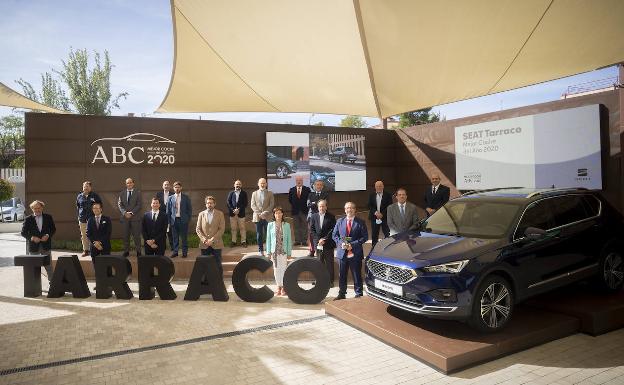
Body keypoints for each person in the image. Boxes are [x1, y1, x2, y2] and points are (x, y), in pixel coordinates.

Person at [332, 202, 368, 300]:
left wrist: (352, 244)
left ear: (355, 209)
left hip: (355, 253)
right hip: (342, 253)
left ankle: (358, 294)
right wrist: (341, 243)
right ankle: (342, 293)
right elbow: (334, 235)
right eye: (347, 208)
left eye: (352, 208)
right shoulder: (340, 221)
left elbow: (365, 237)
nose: (349, 210)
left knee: (356, 274)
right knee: (342, 274)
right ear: (345, 210)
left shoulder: (360, 222)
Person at [21, 200, 56, 279]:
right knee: (34, 267)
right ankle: (35, 287)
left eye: (39, 208)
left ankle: (53, 286)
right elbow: (23, 233)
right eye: (35, 208)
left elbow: (53, 229)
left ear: (42, 208)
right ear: (32, 209)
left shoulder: (48, 217)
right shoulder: (28, 219)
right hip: (33, 247)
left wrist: (47, 235)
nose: (37, 210)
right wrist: (32, 238)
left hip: (46, 245)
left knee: (49, 266)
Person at [196, 195, 226, 276]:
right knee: (205, 265)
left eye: (211, 203)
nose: (209, 204)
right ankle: (206, 284)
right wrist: (205, 240)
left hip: (216, 244)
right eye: (208, 203)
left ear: (214, 204)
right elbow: (198, 229)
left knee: (217, 264)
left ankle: (219, 283)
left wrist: (212, 240)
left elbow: (221, 229)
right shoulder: (201, 214)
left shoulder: (220, 214)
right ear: (205, 204)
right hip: (204, 244)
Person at [309, 199, 336, 287]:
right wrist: (318, 240)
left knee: (329, 264)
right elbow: (312, 230)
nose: (321, 207)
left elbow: (333, 230)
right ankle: (319, 281)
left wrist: (324, 239)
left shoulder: (331, 216)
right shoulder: (313, 216)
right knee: (319, 263)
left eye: (323, 206)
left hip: (328, 244)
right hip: (318, 244)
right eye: (320, 206)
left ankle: (330, 281)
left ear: (326, 207)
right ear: (318, 207)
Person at [266, 207, 292, 296]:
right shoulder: (270, 225)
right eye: (276, 213)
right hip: (274, 251)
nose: (278, 215)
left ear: (282, 214)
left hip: (283, 251)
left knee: (284, 268)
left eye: (279, 213)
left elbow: (289, 239)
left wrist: (289, 253)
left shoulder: (286, 225)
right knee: (276, 269)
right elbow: (268, 239)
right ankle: (278, 287)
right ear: (274, 214)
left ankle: (284, 287)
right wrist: (268, 252)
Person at [76, 181, 102, 257]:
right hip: (82, 219)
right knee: (84, 235)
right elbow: (78, 206)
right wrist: (79, 215)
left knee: (94, 234)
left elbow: (100, 205)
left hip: (92, 219)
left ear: (90, 187)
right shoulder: (79, 196)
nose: (85, 188)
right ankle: (86, 250)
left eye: (87, 186)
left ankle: (94, 250)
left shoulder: (95, 196)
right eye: (84, 186)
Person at [167, 181, 192, 258]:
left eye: (178, 187)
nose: (177, 188)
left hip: (183, 220)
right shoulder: (170, 198)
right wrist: (169, 221)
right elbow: (168, 211)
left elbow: (189, 209)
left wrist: (187, 219)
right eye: (175, 187)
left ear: (181, 188)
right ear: (173, 188)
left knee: (184, 237)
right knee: (175, 237)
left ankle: (184, 252)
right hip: (174, 220)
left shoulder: (186, 197)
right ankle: (175, 252)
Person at [117, 177, 142, 257]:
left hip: (135, 218)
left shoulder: (138, 192)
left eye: (130, 182)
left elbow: (139, 205)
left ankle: (138, 251)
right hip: (125, 218)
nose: (129, 184)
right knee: (125, 236)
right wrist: (125, 213)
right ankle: (126, 251)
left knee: (136, 236)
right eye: (127, 183)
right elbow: (120, 204)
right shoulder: (122, 193)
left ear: (133, 183)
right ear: (126, 184)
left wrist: (131, 213)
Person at [250, 177, 274, 256]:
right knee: (259, 235)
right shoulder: (254, 193)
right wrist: (260, 214)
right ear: (258, 184)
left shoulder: (270, 193)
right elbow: (252, 205)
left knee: (269, 234)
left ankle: (268, 250)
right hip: (258, 217)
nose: (262, 184)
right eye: (261, 183)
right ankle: (261, 250)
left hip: (267, 217)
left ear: (266, 184)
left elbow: (271, 205)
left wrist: (265, 213)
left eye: (264, 183)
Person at [306, 179, 329, 256]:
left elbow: (325, 205)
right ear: (314, 186)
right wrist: (318, 202)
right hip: (312, 217)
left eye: (320, 185)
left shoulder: (325, 194)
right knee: (311, 234)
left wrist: (314, 203)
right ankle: (312, 251)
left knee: (322, 233)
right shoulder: (310, 195)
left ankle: (321, 249)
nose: (318, 186)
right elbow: (309, 205)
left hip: (322, 216)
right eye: (317, 185)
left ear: (322, 186)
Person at [368, 180, 392, 248]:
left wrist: (382, 214)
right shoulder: (371, 195)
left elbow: (389, 206)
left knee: (387, 233)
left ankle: (388, 247)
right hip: (374, 217)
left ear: (383, 186)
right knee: (374, 234)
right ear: (375, 187)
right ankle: (374, 248)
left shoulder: (388, 195)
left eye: (380, 186)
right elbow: (369, 205)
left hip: (385, 218)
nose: (379, 187)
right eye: (377, 186)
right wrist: (376, 213)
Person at [288, 176, 310, 246]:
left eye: (300, 180)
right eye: (297, 180)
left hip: (304, 211)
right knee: (296, 226)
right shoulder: (292, 190)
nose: (299, 181)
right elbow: (290, 200)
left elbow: (309, 200)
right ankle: (297, 240)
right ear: (296, 181)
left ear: (302, 181)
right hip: (295, 211)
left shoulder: (307, 189)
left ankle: (304, 241)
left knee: (304, 226)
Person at [226, 180, 248, 247]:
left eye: (239, 184)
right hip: (232, 214)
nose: (238, 185)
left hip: (241, 214)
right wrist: (233, 210)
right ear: (234, 185)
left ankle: (243, 241)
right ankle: (234, 241)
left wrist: (239, 209)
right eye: (236, 184)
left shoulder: (244, 193)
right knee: (233, 229)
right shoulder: (231, 193)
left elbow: (245, 203)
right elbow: (228, 202)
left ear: (241, 185)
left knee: (242, 228)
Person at [156, 180, 174, 250]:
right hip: (161, 216)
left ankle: (172, 247)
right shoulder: (159, 194)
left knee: (170, 232)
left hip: (170, 216)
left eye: (167, 185)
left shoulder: (173, 194)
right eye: (165, 185)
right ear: (163, 186)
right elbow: (157, 204)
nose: (166, 186)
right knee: (162, 232)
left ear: (169, 186)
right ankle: (163, 247)